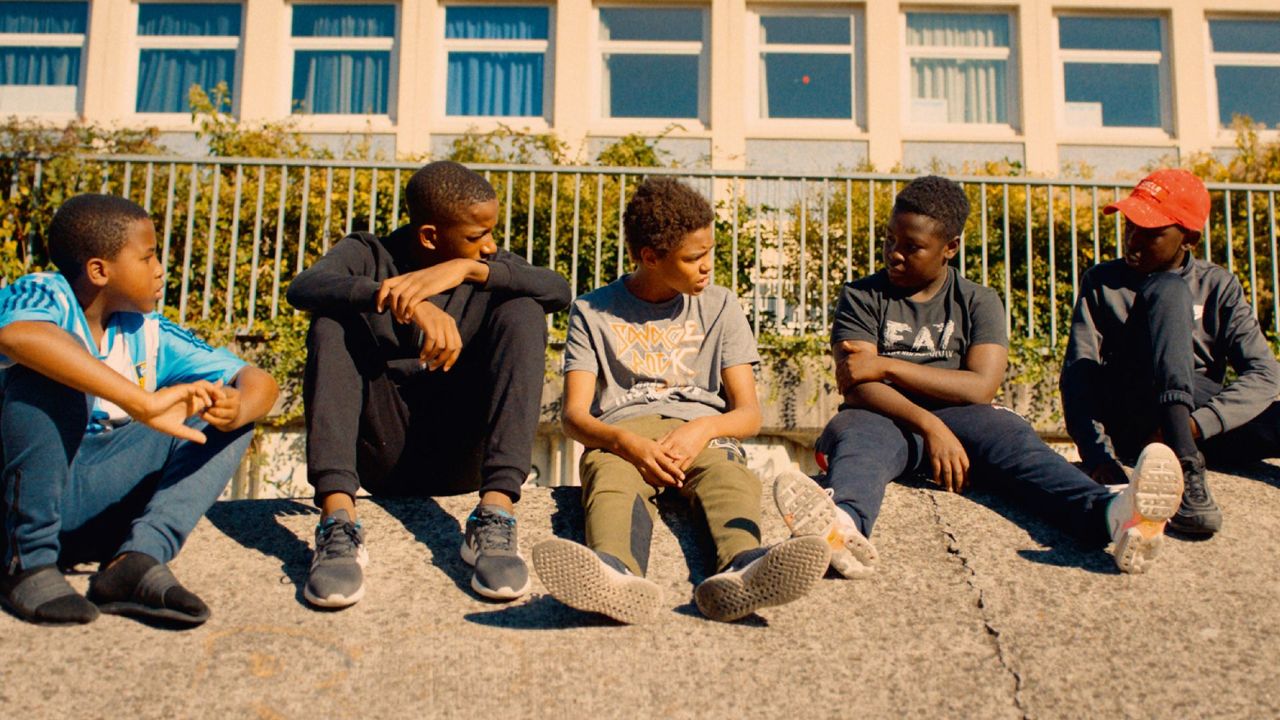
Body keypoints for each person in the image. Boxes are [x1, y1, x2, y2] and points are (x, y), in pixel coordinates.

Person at [774, 175, 1184, 577]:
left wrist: (887, 365)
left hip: (965, 418)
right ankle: (841, 528)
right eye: (889, 240)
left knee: (1018, 443)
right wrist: (929, 424)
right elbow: (859, 386)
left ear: (950, 247)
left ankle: (1113, 514)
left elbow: (980, 387)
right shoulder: (862, 296)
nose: (894, 254)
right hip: (881, 416)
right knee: (858, 444)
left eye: (912, 247)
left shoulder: (978, 301)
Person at [532, 177, 830, 625]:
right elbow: (574, 417)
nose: (707, 267)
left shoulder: (721, 305)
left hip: (701, 431)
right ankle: (614, 575)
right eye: (693, 258)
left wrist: (703, 429)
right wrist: (624, 443)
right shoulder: (591, 312)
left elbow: (749, 414)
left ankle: (744, 567)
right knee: (610, 481)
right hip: (623, 435)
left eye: (709, 252)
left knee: (729, 476)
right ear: (650, 257)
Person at [287, 161, 570, 608]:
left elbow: (558, 289)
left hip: (462, 456)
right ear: (429, 236)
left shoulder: (485, 263)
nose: (490, 245)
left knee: (524, 311)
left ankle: (495, 517)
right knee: (331, 322)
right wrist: (403, 300)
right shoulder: (368, 253)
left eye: (491, 233)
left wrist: (468, 270)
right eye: (477, 236)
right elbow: (305, 287)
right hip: (382, 454)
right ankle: (337, 524)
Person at [0, 193, 279, 626]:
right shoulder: (41, 293)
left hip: (92, 504)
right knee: (50, 368)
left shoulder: (146, 330)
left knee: (222, 412)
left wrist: (236, 407)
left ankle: (135, 561)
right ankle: (27, 563)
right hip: (18, 506)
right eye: (148, 257)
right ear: (99, 270)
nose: (160, 269)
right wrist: (143, 403)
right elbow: (18, 336)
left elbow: (258, 380)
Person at [1061, 168, 1280, 536]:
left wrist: (1194, 425)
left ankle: (1181, 440)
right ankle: (1187, 464)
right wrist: (1098, 457)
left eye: (1150, 232)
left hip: (1191, 421)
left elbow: (1265, 373)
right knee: (1168, 290)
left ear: (1189, 239)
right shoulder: (1102, 282)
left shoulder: (1217, 285)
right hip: (1134, 409)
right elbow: (1079, 374)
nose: (1133, 240)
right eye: (1130, 225)